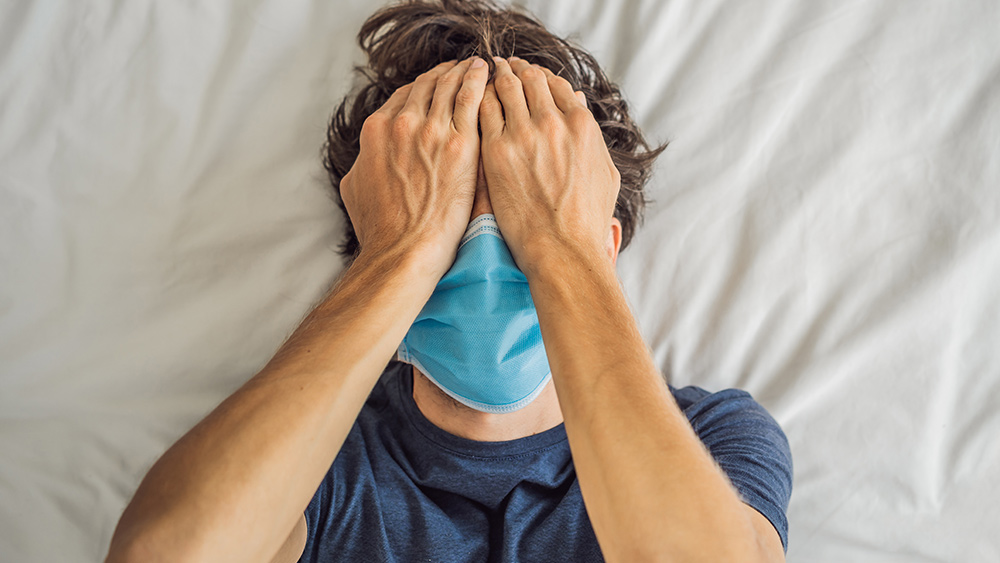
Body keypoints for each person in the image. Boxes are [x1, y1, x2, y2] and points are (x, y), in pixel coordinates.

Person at [105, 1, 792, 562]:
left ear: (602, 247)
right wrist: (402, 250)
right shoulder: (308, 462)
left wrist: (560, 247)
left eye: (522, 212)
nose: (485, 243)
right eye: (453, 216)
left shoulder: (711, 437)